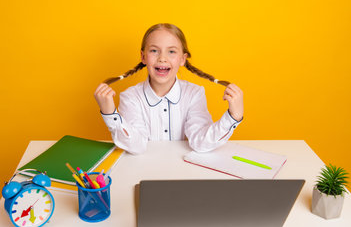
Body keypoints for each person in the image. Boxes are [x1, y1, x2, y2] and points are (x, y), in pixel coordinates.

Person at [94, 23, 244, 154]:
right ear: (143, 56)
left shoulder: (194, 93)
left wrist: (232, 117)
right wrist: (110, 114)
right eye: (154, 51)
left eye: (171, 51)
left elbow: (200, 142)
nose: (162, 58)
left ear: (182, 59)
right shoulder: (130, 97)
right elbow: (136, 146)